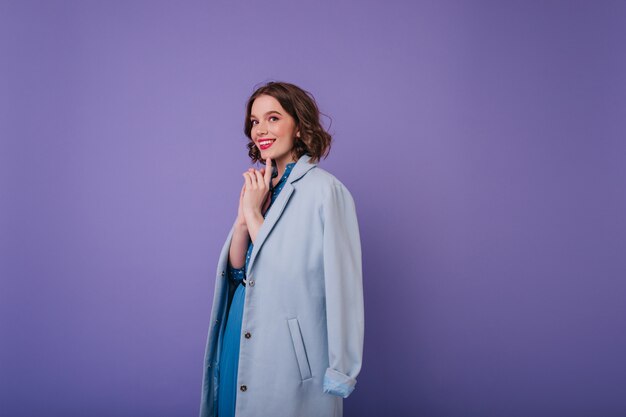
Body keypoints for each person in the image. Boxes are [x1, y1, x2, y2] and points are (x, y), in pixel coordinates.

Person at [199, 81, 364, 417]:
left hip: (285, 352)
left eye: (273, 118)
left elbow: (333, 286)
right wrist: (244, 221)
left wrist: (342, 369)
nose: (261, 129)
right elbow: (239, 273)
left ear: (300, 127)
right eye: (255, 121)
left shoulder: (326, 192)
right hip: (239, 331)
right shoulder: (261, 187)